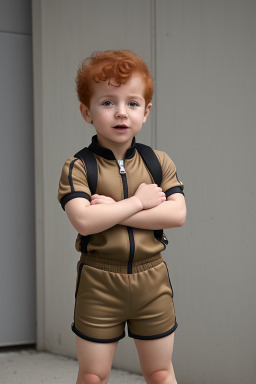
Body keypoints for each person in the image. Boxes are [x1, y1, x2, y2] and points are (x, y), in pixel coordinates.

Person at [58, 50, 186, 384]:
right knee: (92, 376)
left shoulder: (158, 162)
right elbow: (84, 221)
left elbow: (177, 213)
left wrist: (115, 209)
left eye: (132, 103)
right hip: (99, 283)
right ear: (87, 111)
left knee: (160, 373)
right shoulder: (77, 167)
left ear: (146, 111)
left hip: (152, 282)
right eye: (107, 103)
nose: (121, 113)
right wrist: (140, 203)